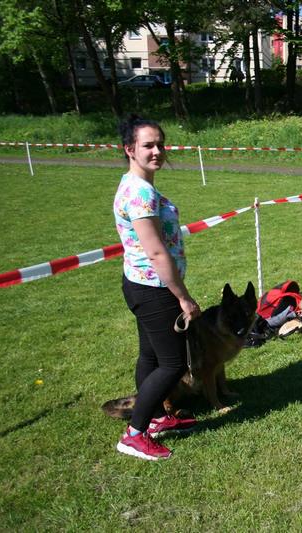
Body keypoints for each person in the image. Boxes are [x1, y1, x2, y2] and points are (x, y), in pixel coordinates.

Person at [113, 115, 201, 460]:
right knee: (173, 364)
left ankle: (155, 418)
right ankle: (134, 435)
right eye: (148, 145)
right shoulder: (139, 193)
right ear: (129, 149)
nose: (157, 151)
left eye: (160, 144)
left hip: (141, 284)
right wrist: (183, 297)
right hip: (153, 288)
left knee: (150, 356)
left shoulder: (137, 185)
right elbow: (155, 252)